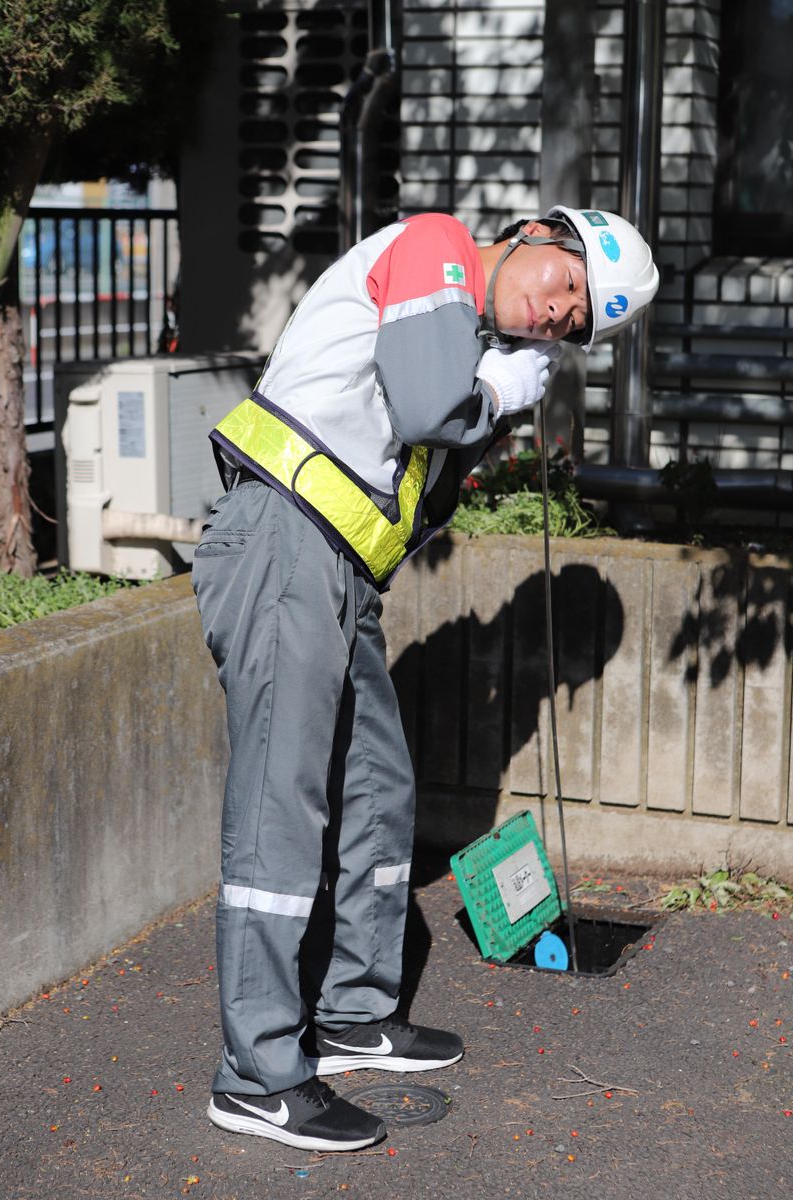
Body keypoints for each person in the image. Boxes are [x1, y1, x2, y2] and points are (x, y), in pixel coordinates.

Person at [192, 205, 658, 1152]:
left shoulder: (457, 337)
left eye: (572, 326)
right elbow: (421, 408)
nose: (555, 312)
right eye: (564, 285)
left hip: (338, 574)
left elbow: (423, 489)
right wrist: (485, 400)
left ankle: (355, 1012)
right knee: (282, 813)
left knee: (378, 790)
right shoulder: (438, 248)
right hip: (281, 542)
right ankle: (257, 1073)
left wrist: (482, 416)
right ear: (535, 230)